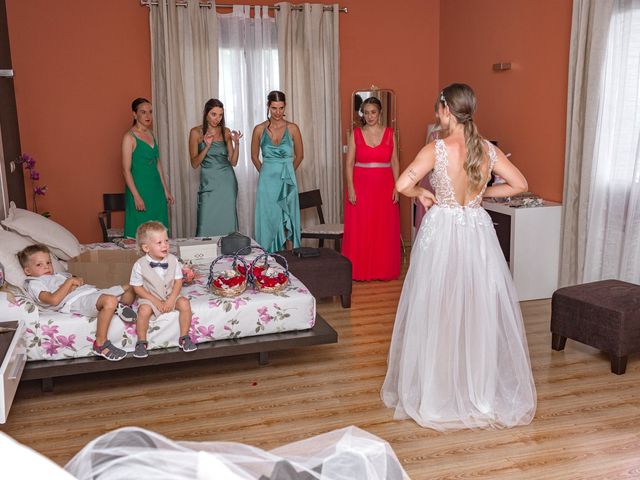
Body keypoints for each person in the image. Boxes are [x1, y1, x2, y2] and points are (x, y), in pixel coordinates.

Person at [381, 83, 536, 430]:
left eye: (438, 110)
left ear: (446, 110)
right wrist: (483, 193)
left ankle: (438, 391)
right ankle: (477, 391)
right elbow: (521, 183)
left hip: (443, 230)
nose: (437, 115)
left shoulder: (435, 149)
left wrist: (422, 192)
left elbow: (403, 184)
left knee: (438, 307)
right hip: (477, 230)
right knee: (477, 307)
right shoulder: (487, 150)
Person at [18, 244, 137, 362]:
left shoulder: (57, 275)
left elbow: (77, 281)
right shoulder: (34, 283)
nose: (46, 267)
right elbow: (54, 300)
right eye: (39, 264)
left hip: (92, 292)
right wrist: (69, 283)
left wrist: (75, 280)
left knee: (132, 286)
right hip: (76, 301)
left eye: (48, 263)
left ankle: (121, 308)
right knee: (110, 300)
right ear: (28, 270)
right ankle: (100, 343)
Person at [342, 97, 400, 280]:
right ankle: (360, 271)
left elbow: (395, 163)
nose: (369, 116)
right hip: (361, 186)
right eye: (366, 113)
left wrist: (397, 187)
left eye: (373, 112)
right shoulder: (356, 134)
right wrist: (351, 188)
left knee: (383, 228)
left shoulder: (390, 134)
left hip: (385, 186)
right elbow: (349, 163)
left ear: (380, 113)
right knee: (362, 228)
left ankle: (383, 270)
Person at [130, 221, 196, 358]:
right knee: (143, 310)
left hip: (170, 295)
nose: (165, 245)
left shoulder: (173, 260)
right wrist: (155, 301)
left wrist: (171, 300)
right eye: (159, 243)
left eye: (166, 241)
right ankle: (141, 342)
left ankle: (184, 337)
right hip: (150, 297)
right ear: (146, 248)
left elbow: (178, 282)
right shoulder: (139, 265)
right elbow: (137, 288)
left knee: (184, 303)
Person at [251, 90, 304, 252]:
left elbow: (300, 156)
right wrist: (265, 173)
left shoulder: (293, 128)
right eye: (274, 108)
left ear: (285, 106)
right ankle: (266, 260)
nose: (278, 112)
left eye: (281, 108)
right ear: (268, 106)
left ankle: (290, 260)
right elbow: (254, 157)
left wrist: (288, 174)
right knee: (268, 219)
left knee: (287, 219)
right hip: (267, 183)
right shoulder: (259, 129)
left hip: (287, 180)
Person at [189, 99, 243, 237]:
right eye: (213, 114)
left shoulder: (226, 131)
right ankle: (204, 254)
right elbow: (194, 163)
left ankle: (229, 253)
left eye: (220, 115)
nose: (217, 119)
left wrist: (237, 144)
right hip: (208, 183)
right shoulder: (196, 132)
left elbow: (234, 161)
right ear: (206, 113)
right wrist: (207, 146)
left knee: (227, 220)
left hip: (227, 182)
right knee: (205, 220)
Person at [122, 98, 174, 239]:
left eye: (150, 112)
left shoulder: (151, 134)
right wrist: (136, 196)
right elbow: (126, 170)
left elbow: (158, 164)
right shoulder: (129, 137)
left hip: (156, 190)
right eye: (143, 112)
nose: (148, 116)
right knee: (141, 233)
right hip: (140, 189)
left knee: (158, 233)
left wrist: (165, 189)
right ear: (134, 114)